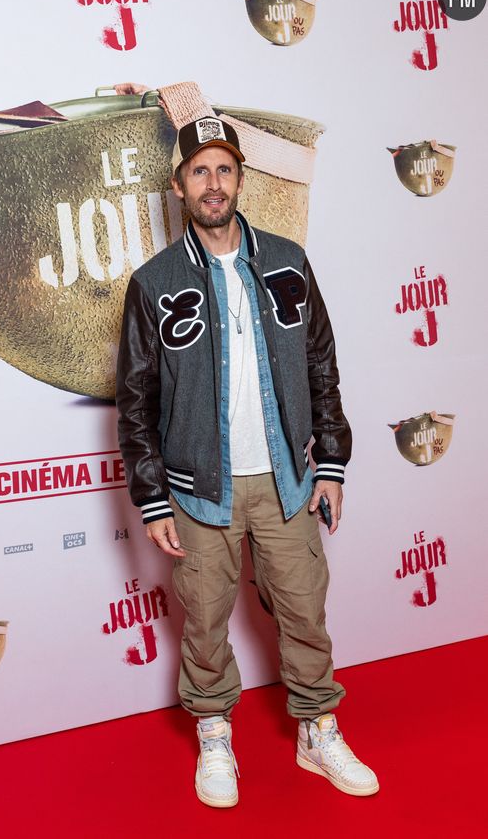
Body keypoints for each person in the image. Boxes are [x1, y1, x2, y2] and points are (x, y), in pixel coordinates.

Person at [115, 115, 379, 807]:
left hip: (287, 479)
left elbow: (321, 363)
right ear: (179, 186)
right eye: (199, 171)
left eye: (224, 169)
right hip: (199, 487)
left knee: (305, 612)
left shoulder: (288, 261)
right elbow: (136, 399)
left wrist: (331, 462)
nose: (213, 183)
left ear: (240, 179)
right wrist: (151, 496)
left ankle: (318, 730)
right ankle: (213, 734)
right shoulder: (154, 281)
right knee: (205, 623)